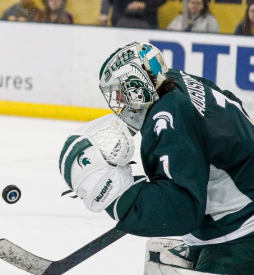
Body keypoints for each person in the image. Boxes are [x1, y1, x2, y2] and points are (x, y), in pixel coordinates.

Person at [60, 41, 254, 274]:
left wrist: (120, 198)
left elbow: (183, 209)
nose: (119, 102)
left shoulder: (168, 115)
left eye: (122, 91)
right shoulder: (177, 81)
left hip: (241, 230)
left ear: (140, 83)